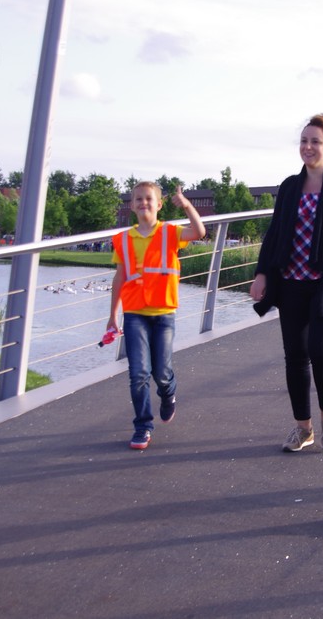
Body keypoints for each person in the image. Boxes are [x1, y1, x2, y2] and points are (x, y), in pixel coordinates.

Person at [249, 113, 323, 453]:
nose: (308, 147)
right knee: (295, 356)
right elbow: (275, 232)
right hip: (290, 282)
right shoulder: (289, 186)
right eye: (304, 141)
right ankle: (303, 427)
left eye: (316, 142)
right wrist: (262, 273)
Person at [108, 181, 206, 450]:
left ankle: (168, 393)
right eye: (138, 199)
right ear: (132, 205)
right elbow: (119, 277)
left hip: (163, 313)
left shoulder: (170, 233)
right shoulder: (123, 239)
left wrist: (186, 205)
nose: (144, 203)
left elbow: (199, 232)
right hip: (134, 313)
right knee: (138, 372)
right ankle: (143, 426)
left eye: (149, 199)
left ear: (159, 204)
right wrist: (112, 315)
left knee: (161, 372)